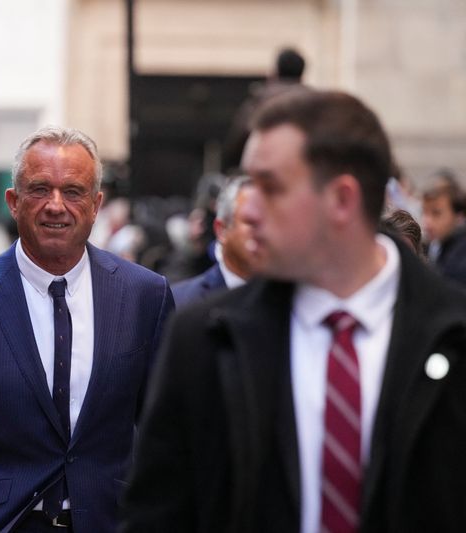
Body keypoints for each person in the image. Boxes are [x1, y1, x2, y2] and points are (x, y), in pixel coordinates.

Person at [122, 88, 466, 532]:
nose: (251, 209)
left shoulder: (454, 336)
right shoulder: (205, 338)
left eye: (270, 187)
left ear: (342, 199)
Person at [0, 126, 174, 532]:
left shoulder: (143, 296)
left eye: (74, 191)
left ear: (96, 204)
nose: (56, 205)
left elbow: (168, 438)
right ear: (14, 202)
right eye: (40, 189)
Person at [171, 175, 256, 307]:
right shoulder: (181, 301)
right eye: (251, 221)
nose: (264, 231)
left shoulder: (292, 300)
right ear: (221, 229)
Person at [223, 47, 306, 172]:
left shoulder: (258, 101)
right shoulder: (314, 104)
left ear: (276, 72)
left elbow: (238, 140)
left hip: (265, 173)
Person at [421, 171, 466, 282]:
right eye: (424, 212)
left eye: (436, 213)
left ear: (459, 215)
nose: (427, 221)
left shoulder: (459, 261)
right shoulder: (437, 246)